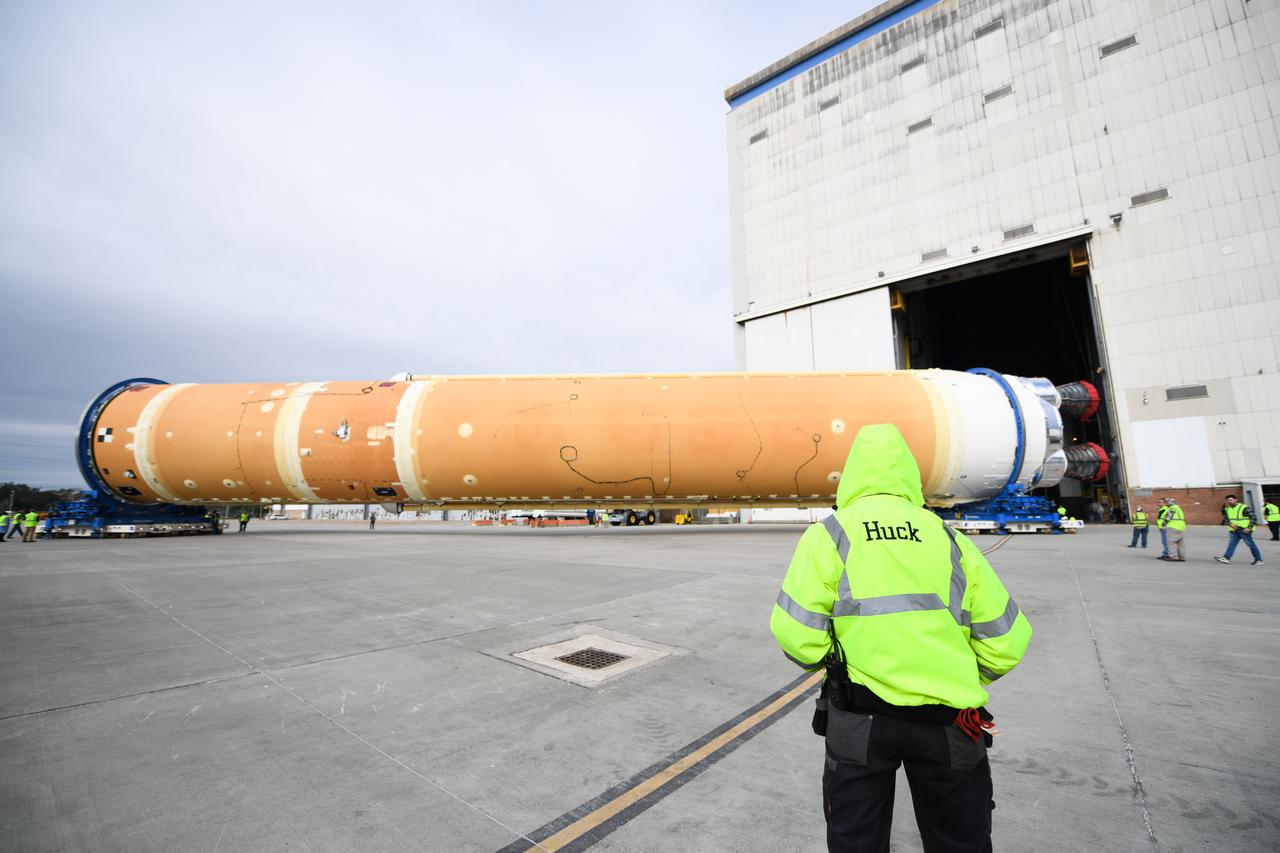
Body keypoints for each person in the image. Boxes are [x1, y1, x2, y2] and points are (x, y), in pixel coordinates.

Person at [771, 424, 1031, 852]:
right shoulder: (950, 539)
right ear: (909, 474)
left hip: (859, 718)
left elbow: (795, 634)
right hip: (952, 722)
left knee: (857, 840)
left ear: (852, 473)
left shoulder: (830, 535)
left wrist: (836, 666)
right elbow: (1007, 640)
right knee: (960, 840)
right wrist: (959, 675)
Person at [1214, 495, 1264, 565]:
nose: (1229, 501)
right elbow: (1226, 519)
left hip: (1244, 530)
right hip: (1234, 530)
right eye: (1228, 500)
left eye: (1231, 500)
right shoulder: (1227, 509)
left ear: (1236, 500)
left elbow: (1253, 517)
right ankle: (1226, 558)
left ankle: (1259, 560)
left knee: (1251, 544)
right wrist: (1231, 525)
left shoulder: (1244, 507)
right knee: (1231, 544)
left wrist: (1249, 528)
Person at [1159, 498, 1185, 562]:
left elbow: (1169, 516)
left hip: (1173, 526)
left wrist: (1163, 524)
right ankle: (1181, 557)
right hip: (1181, 527)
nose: (1167, 503)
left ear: (1171, 503)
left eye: (1168, 502)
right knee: (1180, 543)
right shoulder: (1179, 509)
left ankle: (1173, 557)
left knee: (1171, 542)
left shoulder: (1172, 508)